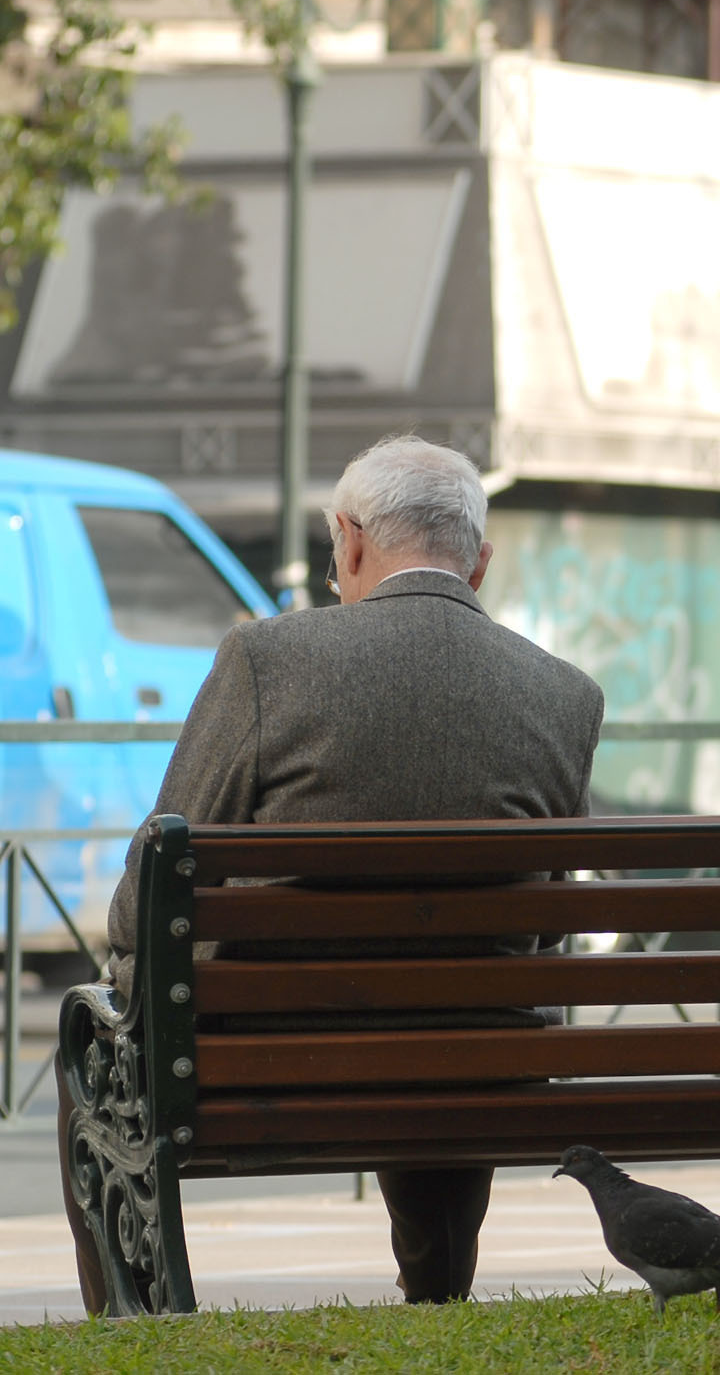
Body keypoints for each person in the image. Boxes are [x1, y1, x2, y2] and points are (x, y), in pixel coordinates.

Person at [59, 435, 605, 1310]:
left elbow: (153, 888)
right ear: (481, 563)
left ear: (349, 541)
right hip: (480, 1058)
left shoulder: (266, 660)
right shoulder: (566, 692)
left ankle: (133, 1316)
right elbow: (546, 926)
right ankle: (437, 1295)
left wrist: (128, 969)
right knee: (455, 1004)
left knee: (87, 1040)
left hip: (274, 1057)